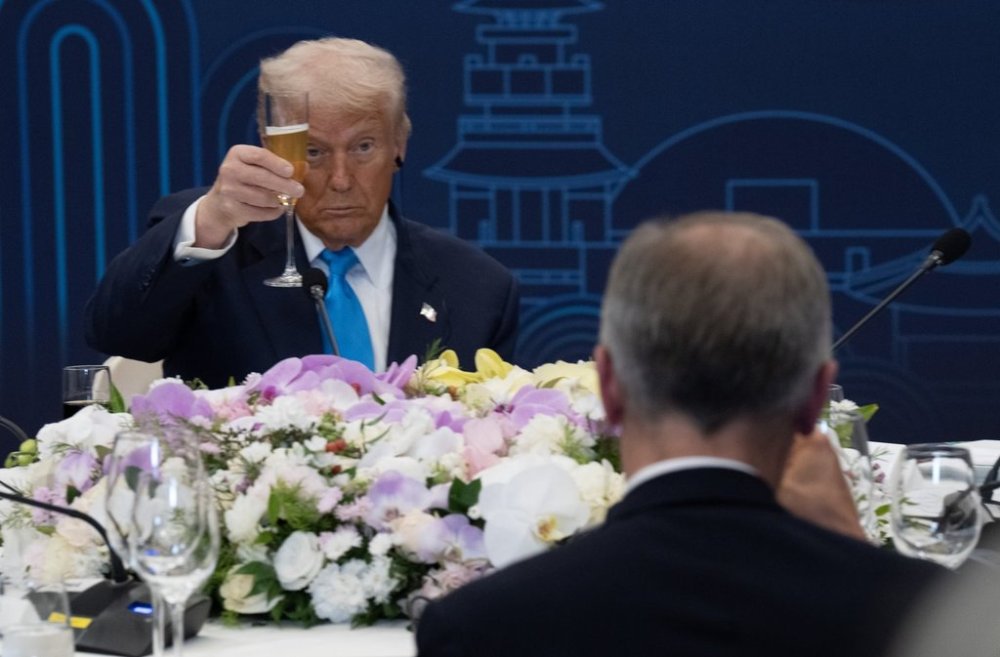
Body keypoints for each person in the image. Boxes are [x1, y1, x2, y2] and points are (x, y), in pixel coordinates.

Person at [415, 212, 944, 657]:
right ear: (815, 400)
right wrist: (862, 567)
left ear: (609, 387)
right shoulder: (936, 622)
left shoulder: (479, 629)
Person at [85, 38, 518, 386]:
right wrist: (212, 221)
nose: (341, 179)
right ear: (274, 146)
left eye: (363, 147)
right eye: (313, 152)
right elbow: (117, 334)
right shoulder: (214, 248)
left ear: (399, 144)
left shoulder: (478, 289)